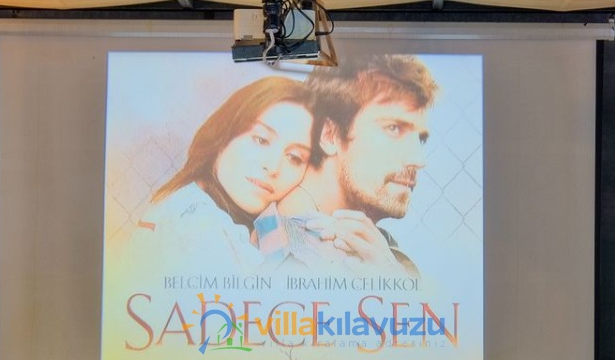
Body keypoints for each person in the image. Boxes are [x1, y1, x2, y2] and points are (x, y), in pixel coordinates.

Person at [128, 76, 314, 269]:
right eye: (261, 140)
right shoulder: (200, 229)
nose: (273, 167)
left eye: (294, 157)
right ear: (225, 133)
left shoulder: (192, 208)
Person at [278, 54, 436, 274]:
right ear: (330, 135)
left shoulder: (375, 250)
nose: (418, 160)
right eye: (394, 129)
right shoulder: (291, 258)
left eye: (421, 139)